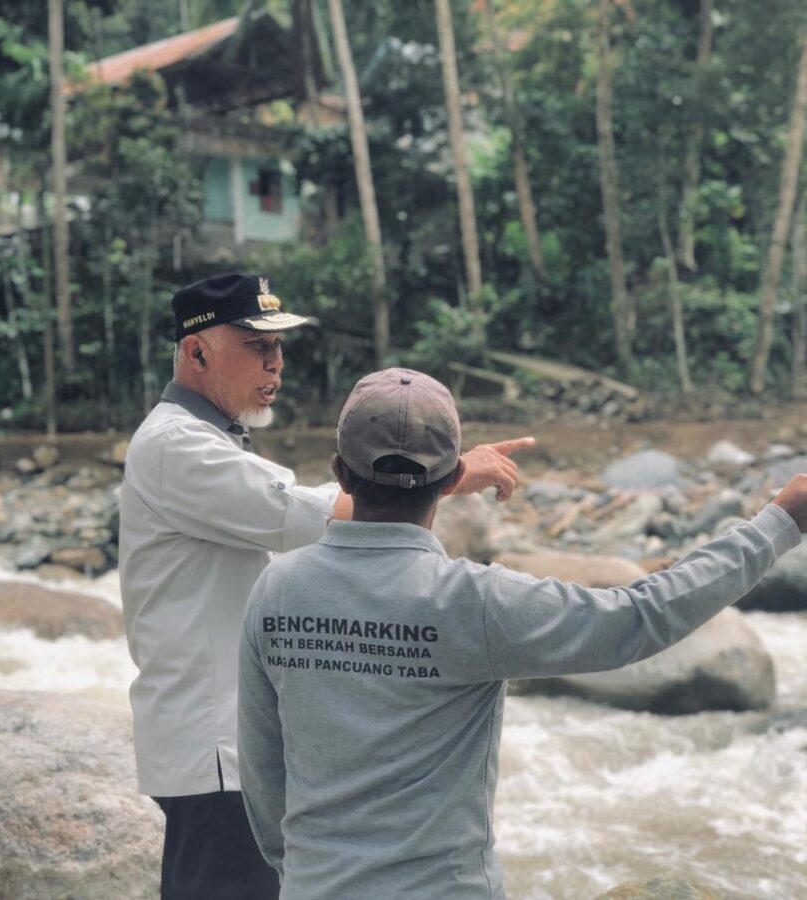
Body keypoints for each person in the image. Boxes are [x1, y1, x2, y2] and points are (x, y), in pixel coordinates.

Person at [237, 367, 807, 900]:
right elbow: (640, 617)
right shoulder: (475, 603)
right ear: (450, 482)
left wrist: (302, 874)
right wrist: (779, 525)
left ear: (337, 475)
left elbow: (264, 776)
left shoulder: (275, 591)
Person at [118, 275, 534, 899]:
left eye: (279, 347)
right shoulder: (176, 444)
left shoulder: (203, 437)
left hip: (233, 747)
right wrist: (441, 474)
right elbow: (302, 515)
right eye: (257, 346)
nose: (276, 362)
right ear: (197, 352)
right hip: (216, 750)